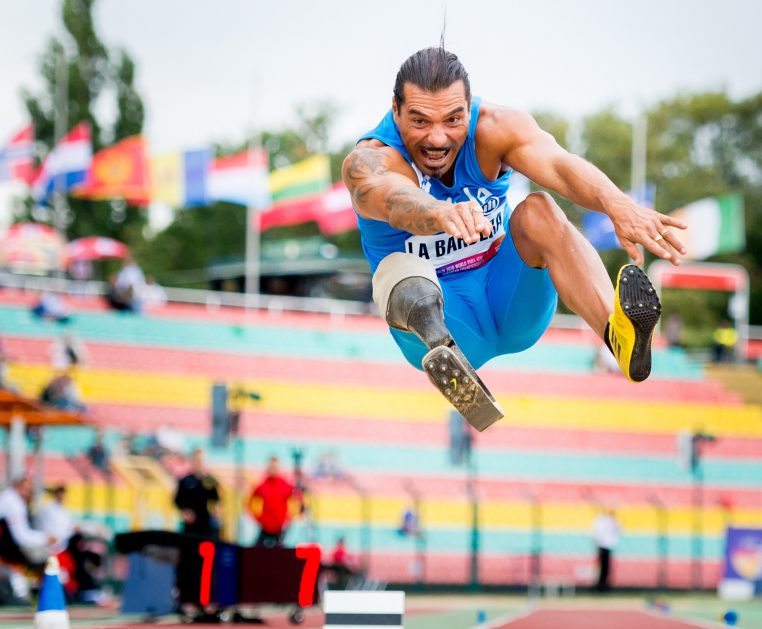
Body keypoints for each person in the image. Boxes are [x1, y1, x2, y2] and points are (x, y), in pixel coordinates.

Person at [343, 46, 687, 431]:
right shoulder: (371, 159)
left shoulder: (495, 128)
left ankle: (618, 336)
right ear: (395, 109)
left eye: (453, 119)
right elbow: (390, 198)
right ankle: (446, 351)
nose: (437, 139)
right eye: (420, 121)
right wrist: (438, 212)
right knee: (398, 268)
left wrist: (617, 204)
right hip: (444, 317)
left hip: (510, 303)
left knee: (538, 208)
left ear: (469, 107)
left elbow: (558, 164)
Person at [0, 476, 55, 565]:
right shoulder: (14, 503)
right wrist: (45, 538)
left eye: (30, 490)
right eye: (27, 489)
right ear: (18, 487)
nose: (29, 493)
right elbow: (21, 537)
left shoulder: (9, 497)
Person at [247, 456, 298, 547]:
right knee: (256, 551)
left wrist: (289, 518)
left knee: (281, 554)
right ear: (268, 468)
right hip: (265, 526)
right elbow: (249, 502)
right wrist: (257, 518)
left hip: (280, 528)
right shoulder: (262, 484)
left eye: (275, 467)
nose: (273, 469)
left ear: (278, 468)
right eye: (271, 467)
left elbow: (297, 500)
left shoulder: (285, 485)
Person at [173, 448, 221, 539]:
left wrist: (216, 512)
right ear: (192, 461)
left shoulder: (210, 481)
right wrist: (185, 512)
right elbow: (177, 500)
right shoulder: (185, 481)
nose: (199, 463)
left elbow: (216, 500)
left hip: (206, 524)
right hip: (190, 525)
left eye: (201, 460)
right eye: (196, 460)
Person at [35, 484, 75, 552]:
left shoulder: (65, 510)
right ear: (56, 494)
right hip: (50, 545)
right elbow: (45, 527)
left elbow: (67, 528)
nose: (62, 496)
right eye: (60, 494)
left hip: (61, 545)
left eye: (63, 494)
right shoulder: (48, 508)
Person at [592, 508, 620, 592]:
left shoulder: (611, 521)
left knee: (606, 566)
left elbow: (616, 531)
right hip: (602, 545)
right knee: (602, 566)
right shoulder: (602, 520)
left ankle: (604, 584)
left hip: (607, 545)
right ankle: (600, 584)